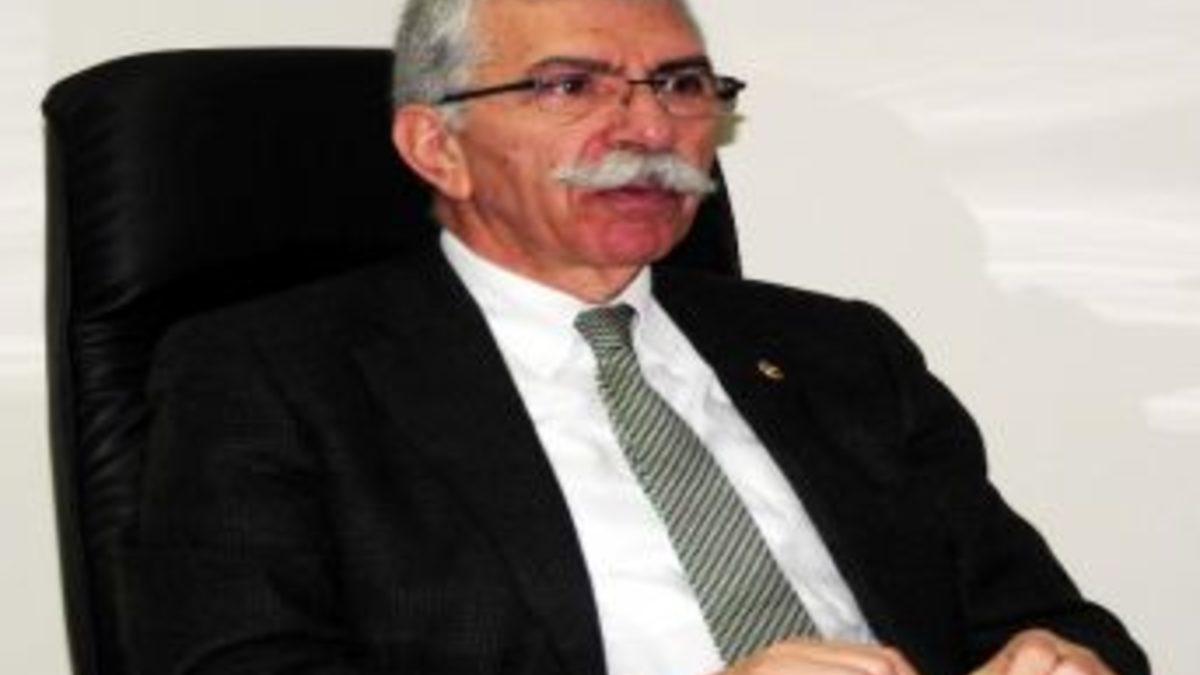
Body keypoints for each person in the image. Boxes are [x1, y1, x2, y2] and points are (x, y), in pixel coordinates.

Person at [129, 0, 1149, 674]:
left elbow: (1053, 617)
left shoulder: (842, 350)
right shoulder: (270, 372)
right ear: (438, 146)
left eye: (682, 85)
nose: (651, 130)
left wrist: (1061, 655)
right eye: (571, 87)